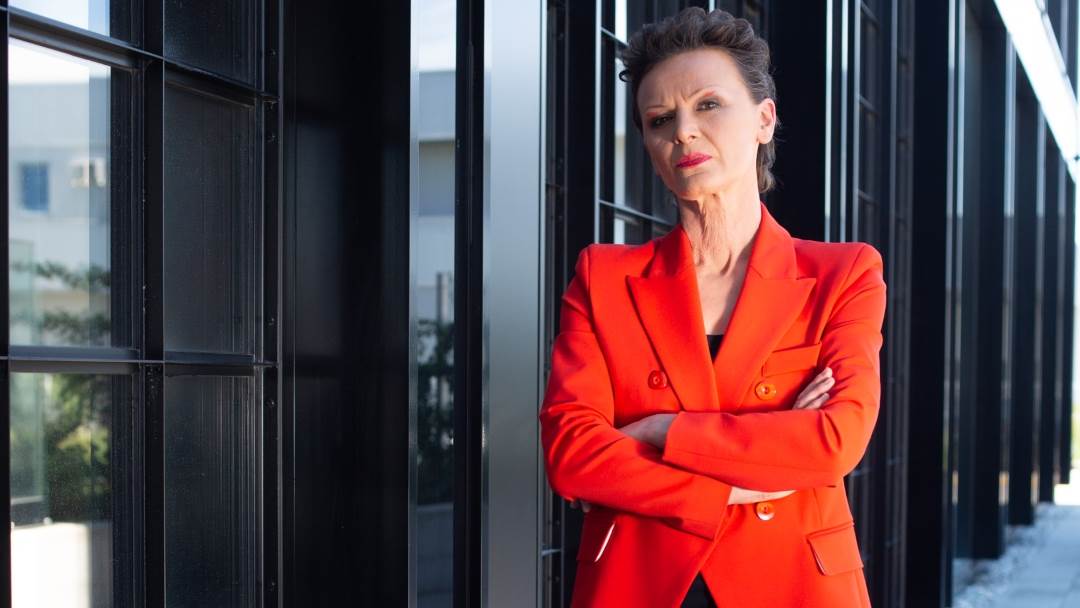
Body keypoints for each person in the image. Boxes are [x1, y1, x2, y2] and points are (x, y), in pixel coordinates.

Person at [538, 7, 886, 607]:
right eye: (660, 119)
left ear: (764, 119)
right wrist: (738, 481)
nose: (684, 132)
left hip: (793, 584)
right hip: (638, 581)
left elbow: (834, 440)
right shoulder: (604, 277)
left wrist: (660, 430)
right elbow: (573, 454)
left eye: (708, 105)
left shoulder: (843, 273)